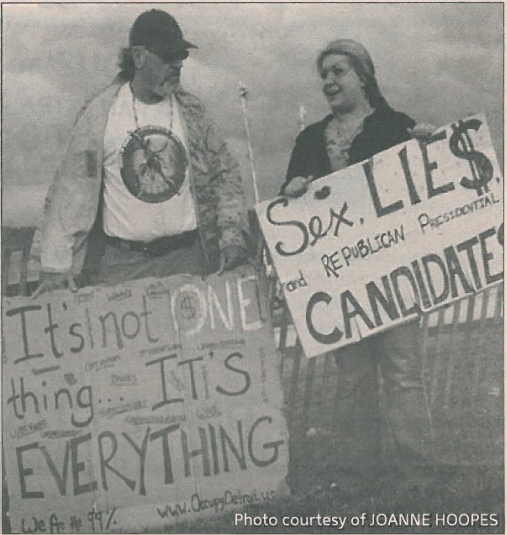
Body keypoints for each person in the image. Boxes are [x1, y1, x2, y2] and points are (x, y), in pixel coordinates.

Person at [281, 39, 435, 491]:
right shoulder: (309, 140)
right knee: (353, 378)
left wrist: (430, 148)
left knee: (404, 372)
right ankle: (356, 474)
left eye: (338, 71)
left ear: (363, 76)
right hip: (342, 282)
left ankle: (419, 472)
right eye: (323, 74)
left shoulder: (396, 127)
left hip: (395, 275)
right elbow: (288, 214)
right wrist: (291, 189)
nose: (328, 81)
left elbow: (427, 188)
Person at [34, 9, 250, 295]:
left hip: (189, 262)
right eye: (167, 56)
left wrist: (232, 236)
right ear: (138, 57)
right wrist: (56, 264)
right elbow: (71, 191)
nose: (177, 65)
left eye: (181, 57)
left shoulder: (194, 114)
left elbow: (225, 176)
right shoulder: (99, 114)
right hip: (120, 269)